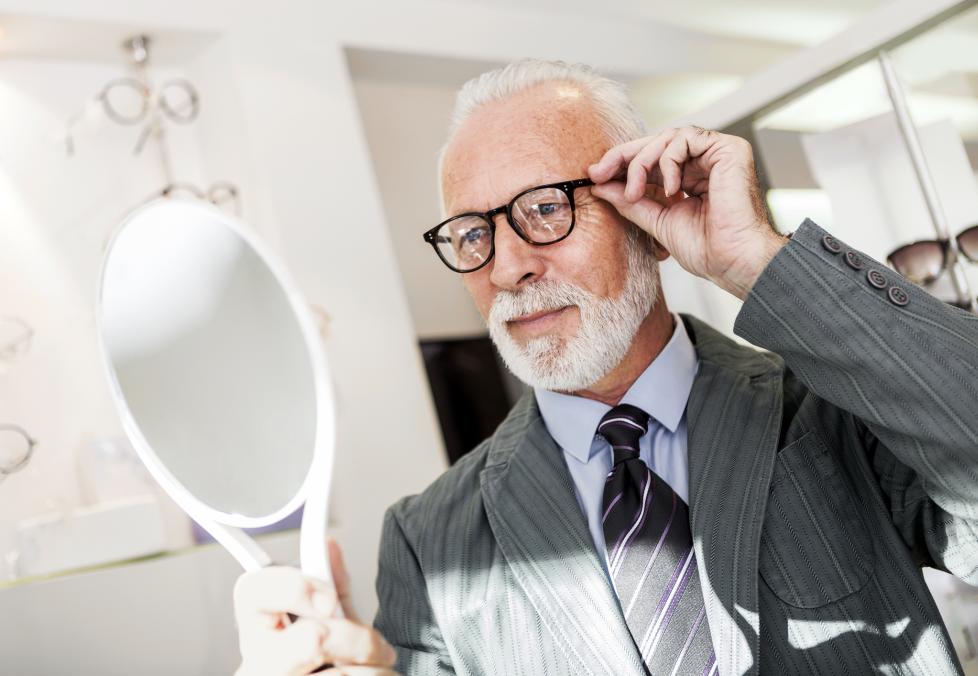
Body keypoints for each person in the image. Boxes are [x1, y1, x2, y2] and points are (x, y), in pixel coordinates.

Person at [233, 60, 978, 675]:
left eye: (546, 208)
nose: (509, 268)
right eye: (471, 234)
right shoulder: (428, 540)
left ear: (648, 218)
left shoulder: (833, 411)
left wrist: (758, 261)